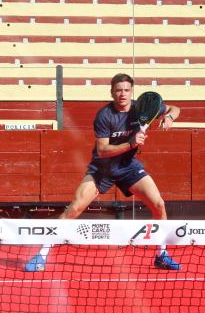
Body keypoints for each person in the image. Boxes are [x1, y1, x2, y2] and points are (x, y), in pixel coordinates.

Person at [24, 73, 183, 272]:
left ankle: (162, 254)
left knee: (159, 204)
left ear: (131, 92)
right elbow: (103, 150)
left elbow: (175, 109)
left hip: (128, 166)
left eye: (126, 90)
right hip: (103, 168)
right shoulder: (104, 115)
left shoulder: (140, 108)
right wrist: (130, 143)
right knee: (74, 209)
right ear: (111, 92)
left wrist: (168, 117)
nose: (122, 94)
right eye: (118, 90)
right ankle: (42, 255)